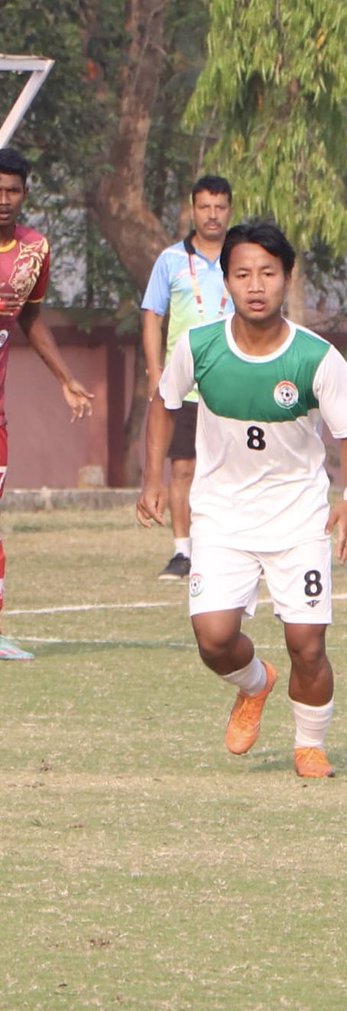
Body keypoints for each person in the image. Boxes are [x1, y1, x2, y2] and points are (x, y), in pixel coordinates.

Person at [136, 222, 347, 779]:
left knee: (307, 643)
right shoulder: (199, 345)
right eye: (242, 273)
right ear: (227, 281)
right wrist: (151, 479)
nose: (256, 284)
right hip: (220, 516)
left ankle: (309, 744)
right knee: (214, 639)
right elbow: (164, 404)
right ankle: (255, 684)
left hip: (299, 518)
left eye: (268, 273)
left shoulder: (315, 356)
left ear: (286, 279)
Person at [0, 147, 94, 661]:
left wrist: (65, 378)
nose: (4, 200)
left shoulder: (34, 250)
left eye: (13, 190)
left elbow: (31, 318)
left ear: (26, 194)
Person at [142, 175, 234, 580]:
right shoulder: (171, 261)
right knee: (182, 469)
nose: (212, 215)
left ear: (230, 210)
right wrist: (155, 373)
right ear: (192, 210)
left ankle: (235, 548)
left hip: (234, 384)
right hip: (185, 385)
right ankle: (183, 552)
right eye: (205, 207)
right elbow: (152, 317)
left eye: (220, 207)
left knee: (237, 468)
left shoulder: (241, 259)